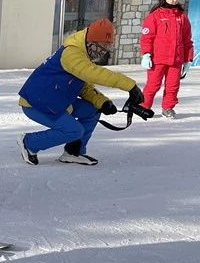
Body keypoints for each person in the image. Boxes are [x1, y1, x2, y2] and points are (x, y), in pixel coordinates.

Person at [17, 18, 144, 166]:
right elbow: (93, 74)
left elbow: (83, 85)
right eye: (102, 45)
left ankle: (73, 152)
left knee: (93, 110)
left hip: (57, 100)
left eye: (107, 46)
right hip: (36, 103)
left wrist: (101, 102)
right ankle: (29, 143)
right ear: (91, 42)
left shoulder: (84, 54)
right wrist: (130, 86)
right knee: (74, 130)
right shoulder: (71, 53)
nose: (104, 50)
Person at [139, 0, 195, 119]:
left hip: (176, 60)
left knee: (173, 86)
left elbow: (187, 40)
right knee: (153, 85)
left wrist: (188, 60)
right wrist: (146, 54)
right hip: (158, 59)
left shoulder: (182, 17)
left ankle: (168, 108)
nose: (175, 0)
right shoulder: (154, 16)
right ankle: (143, 107)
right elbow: (147, 38)